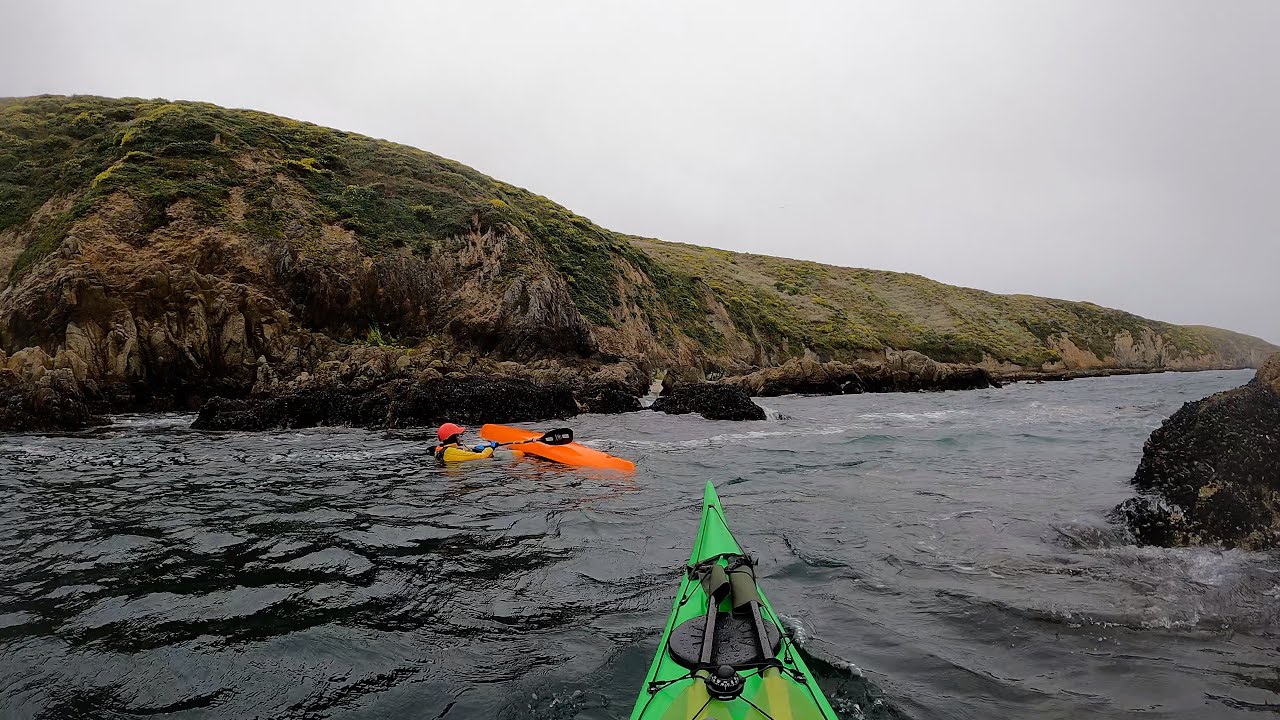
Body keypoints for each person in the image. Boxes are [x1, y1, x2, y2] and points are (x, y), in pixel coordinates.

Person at [432, 423, 499, 462]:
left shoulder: (441, 448)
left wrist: (474, 448)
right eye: (457, 435)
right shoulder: (450, 452)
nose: (459, 437)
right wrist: (492, 448)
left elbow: (460, 448)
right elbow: (482, 456)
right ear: (452, 437)